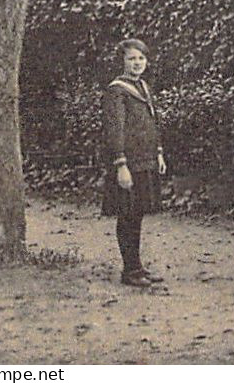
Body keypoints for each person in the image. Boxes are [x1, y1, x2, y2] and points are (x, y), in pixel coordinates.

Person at [101, 38, 168, 287]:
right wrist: (120, 164)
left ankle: (137, 266)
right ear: (123, 61)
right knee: (127, 214)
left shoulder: (143, 87)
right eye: (132, 58)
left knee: (137, 213)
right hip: (128, 163)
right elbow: (114, 131)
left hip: (145, 160)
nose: (137, 63)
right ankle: (129, 270)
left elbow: (152, 124)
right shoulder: (116, 90)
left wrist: (158, 153)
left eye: (141, 58)